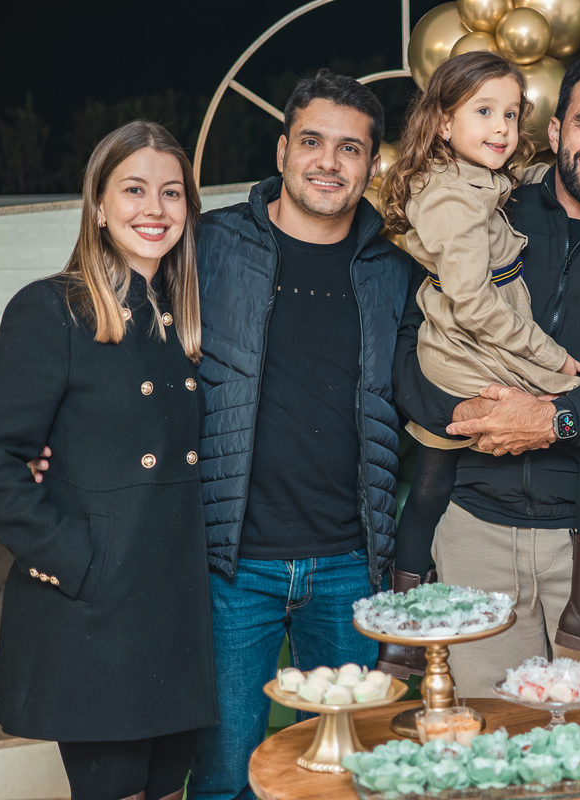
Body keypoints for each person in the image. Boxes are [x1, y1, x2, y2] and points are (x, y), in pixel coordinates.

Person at [392, 53, 580, 728]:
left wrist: (556, 419)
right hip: (476, 535)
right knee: (490, 759)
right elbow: (415, 343)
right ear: (557, 130)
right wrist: (468, 413)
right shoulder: (486, 208)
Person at [0, 121, 214, 800]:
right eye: (134, 190)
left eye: (171, 192)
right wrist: (74, 560)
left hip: (178, 610)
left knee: (169, 790)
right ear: (98, 206)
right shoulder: (53, 309)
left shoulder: (185, 315)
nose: (154, 209)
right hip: (99, 612)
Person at [186, 71, 413, 800]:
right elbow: (129, 351)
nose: (328, 162)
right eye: (312, 141)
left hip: (350, 565)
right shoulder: (209, 246)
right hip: (231, 566)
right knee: (225, 777)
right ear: (283, 149)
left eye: (351, 148)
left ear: (372, 164)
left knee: (343, 776)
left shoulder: (396, 271)